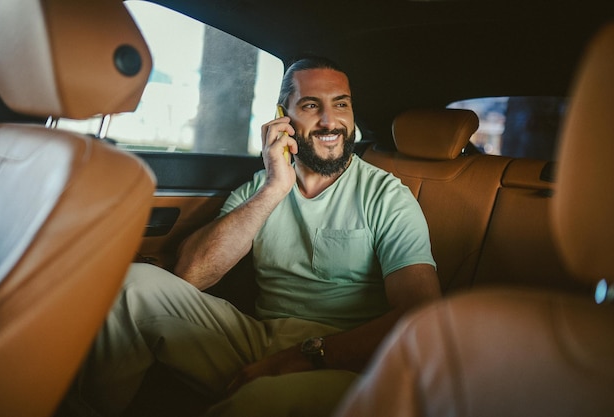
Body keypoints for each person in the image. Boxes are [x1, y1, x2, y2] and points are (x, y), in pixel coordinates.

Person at [72, 57, 440, 417]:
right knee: (133, 285)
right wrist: (275, 188)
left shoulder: (387, 196)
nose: (330, 121)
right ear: (283, 115)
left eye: (340, 104)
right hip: (259, 339)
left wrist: (299, 357)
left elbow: (419, 313)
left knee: (259, 402)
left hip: (348, 362)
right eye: (312, 105)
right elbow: (192, 276)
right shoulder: (261, 189)